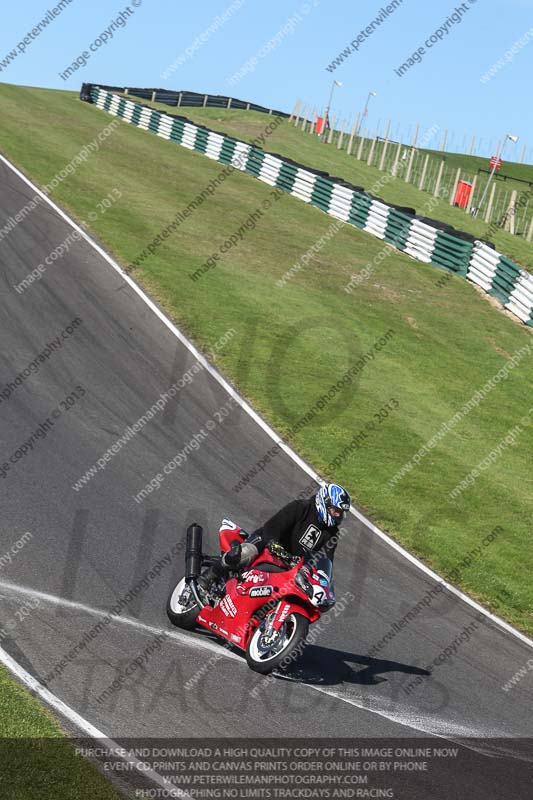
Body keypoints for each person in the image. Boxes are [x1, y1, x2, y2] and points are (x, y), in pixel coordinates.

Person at [205, 483, 351, 585]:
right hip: (267, 544)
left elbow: (326, 560)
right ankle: (206, 579)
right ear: (324, 502)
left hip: (292, 565)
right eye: (335, 511)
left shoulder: (332, 534)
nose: (338, 516)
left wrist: (322, 579)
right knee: (243, 553)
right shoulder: (300, 507)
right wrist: (274, 544)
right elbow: (272, 527)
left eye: (341, 514)